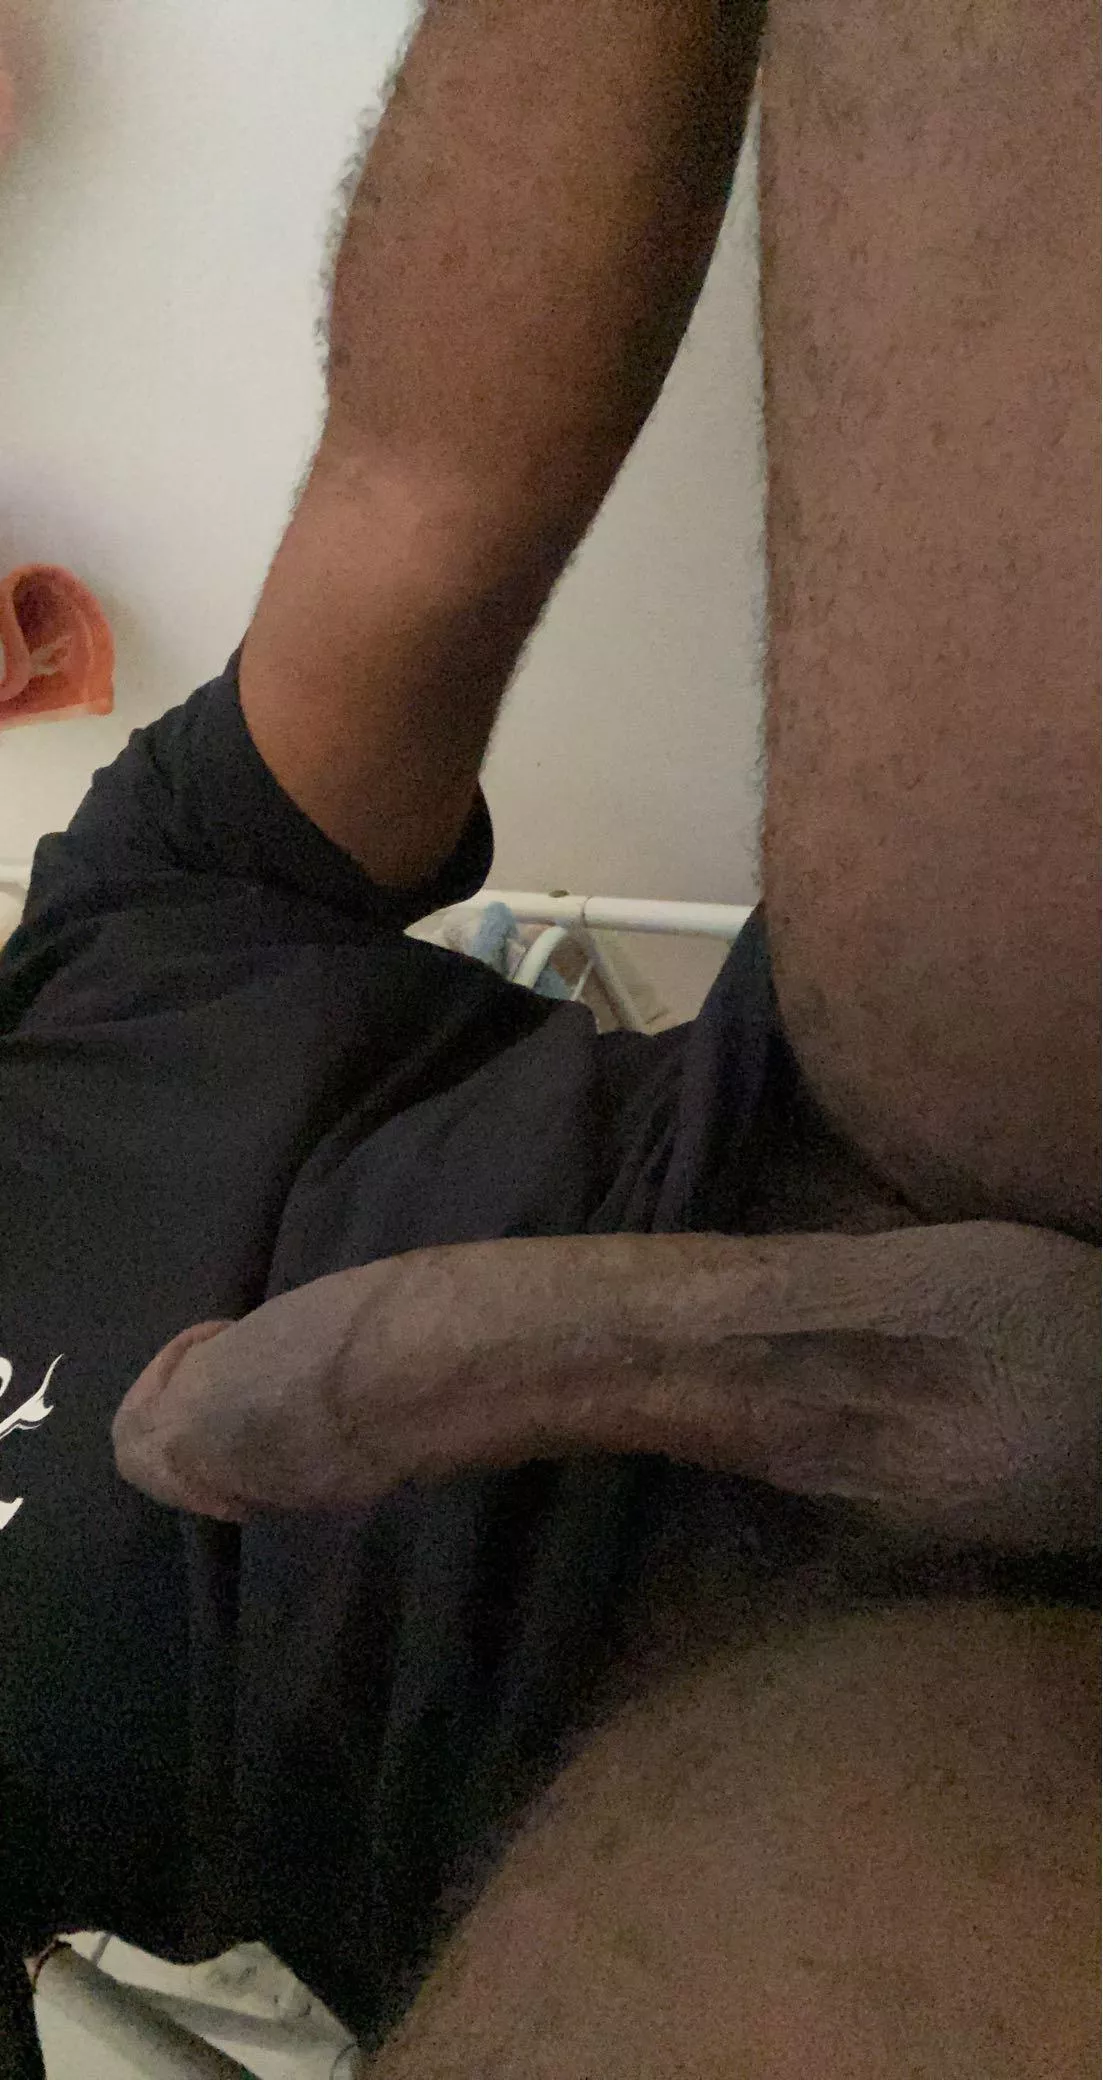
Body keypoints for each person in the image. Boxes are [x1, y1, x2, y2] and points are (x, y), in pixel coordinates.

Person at [2, 0, 1098, 2074]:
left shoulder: (101, 941)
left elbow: (420, 482)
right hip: (618, 1795)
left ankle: (769, 1339)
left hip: (878, 1156)